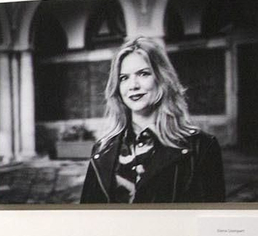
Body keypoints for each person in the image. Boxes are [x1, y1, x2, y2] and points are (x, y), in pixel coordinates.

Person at [79, 35, 226, 203]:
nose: (133, 85)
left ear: (162, 79)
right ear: (117, 88)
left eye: (143, 73)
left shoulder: (202, 147)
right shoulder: (102, 150)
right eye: (123, 78)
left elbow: (209, 220)